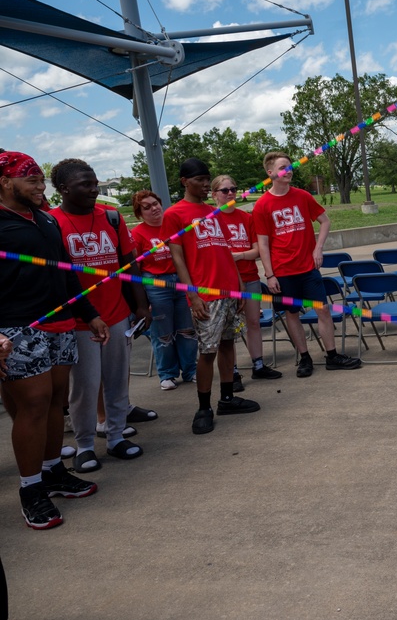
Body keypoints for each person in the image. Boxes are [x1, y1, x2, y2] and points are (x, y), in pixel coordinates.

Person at [0, 151, 109, 530]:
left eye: (40, 179)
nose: (39, 186)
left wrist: (89, 313)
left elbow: (67, 274)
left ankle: (52, 473)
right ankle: (31, 491)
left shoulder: (45, 220)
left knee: (55, 403)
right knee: (32, 405)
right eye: (29, 179)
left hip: (61, 324)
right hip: (16, 330)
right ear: (5, 181)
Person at [50, 158, 149, 472]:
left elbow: (129, 264)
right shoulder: (51, 222)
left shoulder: (111, 217)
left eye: (95, 183)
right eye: (86, 185)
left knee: (118, 380)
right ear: (64, 189)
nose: (94, 190)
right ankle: (86, 445)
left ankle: (117, 436)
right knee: (86, 386)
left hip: (117, 314)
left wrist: (141, 304)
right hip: (80, 321)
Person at [162, 158, 260, 435]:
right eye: (200, 180)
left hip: (230, 287)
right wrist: (192, 295)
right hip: (206, 292)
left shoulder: (212, 212)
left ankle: (227, 398)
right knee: (208, 350)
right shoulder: (175, 214)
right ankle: (203, 407)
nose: (206, 185)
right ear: (184, 182)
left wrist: (239, 285)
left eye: (208, 179)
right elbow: (177, 257)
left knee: (228, 344)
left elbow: (225, 251)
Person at [255, 151, 362, 377]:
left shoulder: (302, 196)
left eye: (291, 166)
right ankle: (304, 358)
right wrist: (270, 274)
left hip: (307, 268)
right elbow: (263, 244)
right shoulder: (263, 205)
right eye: (283, 167)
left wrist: (318, 248)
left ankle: (332, 355)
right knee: (292, 314)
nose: (289, 170)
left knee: (322, 309)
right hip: (283, 271)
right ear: (271, 172)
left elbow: (325, 221)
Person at [211, 174, 282, 386]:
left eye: (233, 188)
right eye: (225, 190)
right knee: (230, 329)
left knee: (253, 322)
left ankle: (258, 365)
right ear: (214, 194)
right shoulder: (211, 218)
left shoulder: (246, 218)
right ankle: (231, 372)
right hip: (225, 282)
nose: (231, 193)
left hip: (249, 277)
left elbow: (258, 250)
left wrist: (239, 255)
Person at [131, 190, 198, 390]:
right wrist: (143, 301)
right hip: (156, 284)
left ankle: (190, 370)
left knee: (187, 329)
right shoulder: (137, 233)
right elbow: (137, 268)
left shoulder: (173, 226)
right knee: (163, 332)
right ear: (139, 213)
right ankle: (167, 374)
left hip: (180, 280)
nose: (154, 209)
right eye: (147, 207)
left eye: (156, 203)